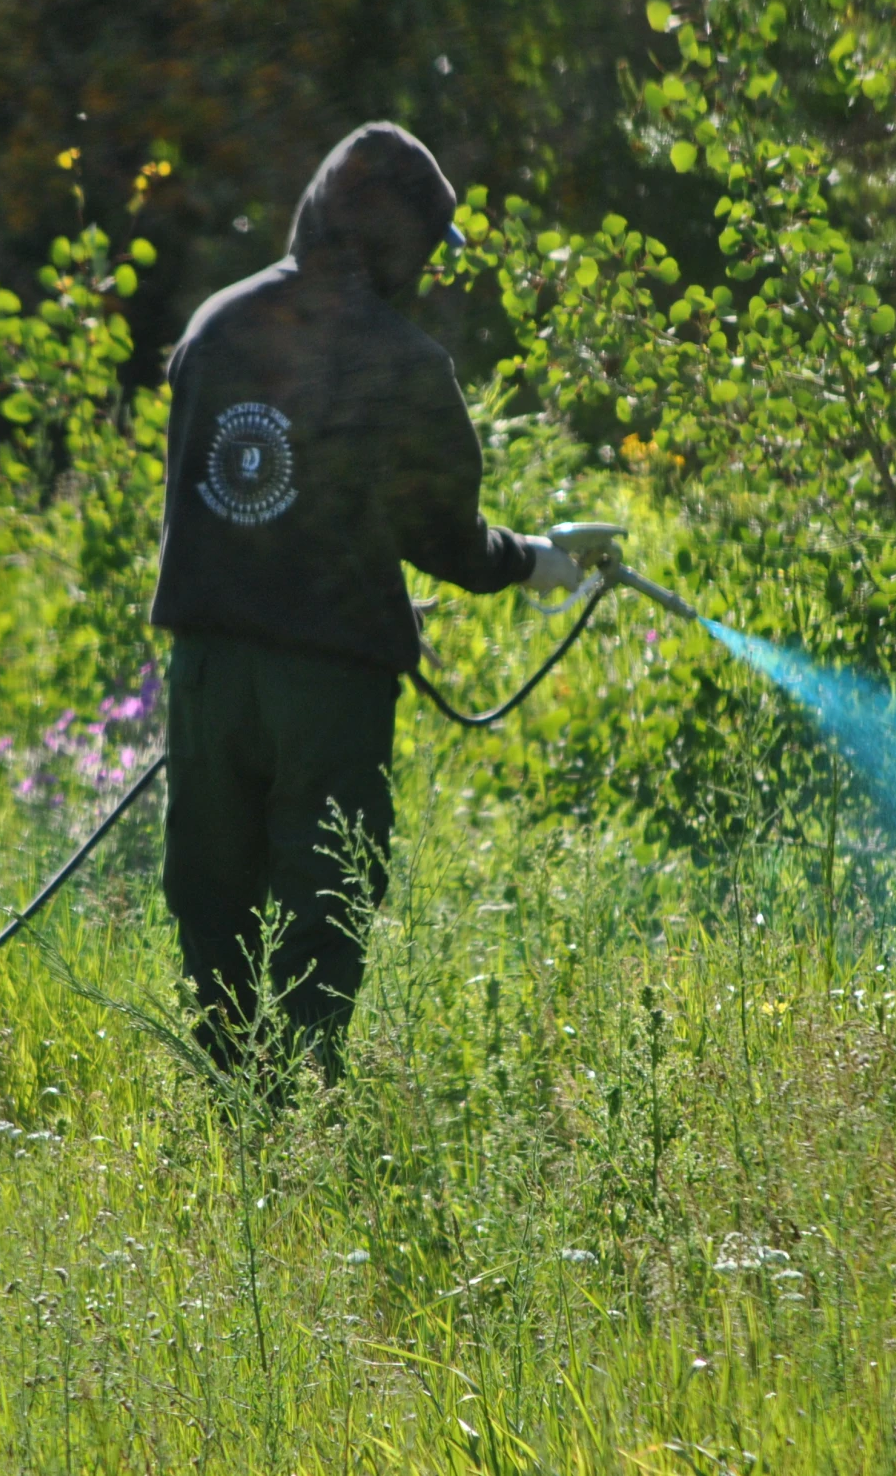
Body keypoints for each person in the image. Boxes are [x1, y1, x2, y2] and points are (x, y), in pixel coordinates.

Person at [150, 121, 582, 1078]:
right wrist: (534, 562)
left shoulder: (214, 326)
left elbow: (209, 502)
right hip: (330, 693)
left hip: (207, 676)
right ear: (400, 243)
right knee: (323, 900)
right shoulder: (404, 363)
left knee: (212, 899)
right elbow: (445, 542)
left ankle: (233, 1101)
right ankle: (302, 1109)